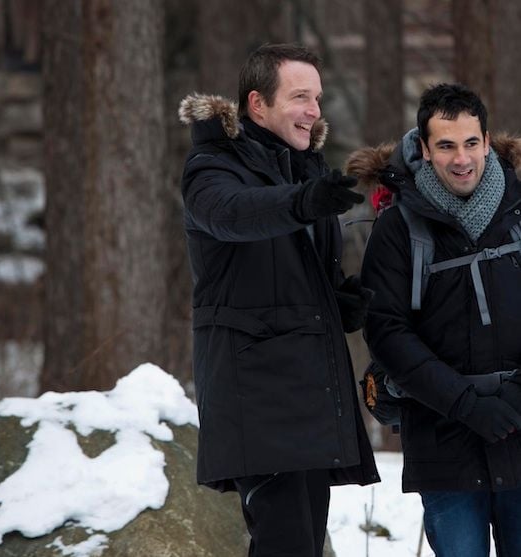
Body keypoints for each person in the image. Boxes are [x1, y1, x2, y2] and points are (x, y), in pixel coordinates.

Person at [178, 43, 379, 557]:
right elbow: (234, 214)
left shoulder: (305, 171)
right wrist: (302, 202)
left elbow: (283, 277)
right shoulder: (210, 167)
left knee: (304, 546)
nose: (314, 109)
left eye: (318, 97)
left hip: (309, 393)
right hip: (258, 396)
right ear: (257, 104)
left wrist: (338, 305)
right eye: (300, 96)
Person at [355, 83, 521, 556]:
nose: (462, 158)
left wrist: (515, 395)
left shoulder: (519, 209)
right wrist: (467, 405)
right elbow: (387, 333)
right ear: (425, 150)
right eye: (446, 145)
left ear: (488, 141)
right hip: (444, 440)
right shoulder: (397, 228)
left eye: (471, 143)